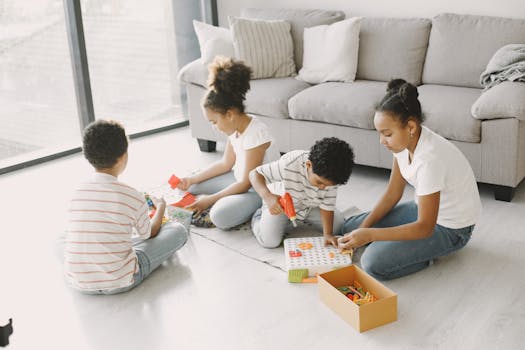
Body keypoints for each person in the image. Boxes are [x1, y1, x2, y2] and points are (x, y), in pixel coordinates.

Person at [338, 79, 482, 280]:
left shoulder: (429, 160)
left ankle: (425, 255)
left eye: (387, 134)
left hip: (452, 229)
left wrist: (371, 235)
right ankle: (380, 239)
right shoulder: (403, 143)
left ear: (411, 126)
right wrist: (364, 229)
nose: (382, 141)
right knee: (349, 228)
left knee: (372, 263)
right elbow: (392, 194)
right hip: (423, 210)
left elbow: (425, 226)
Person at [61, 120, 187, 294]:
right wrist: (160, 209)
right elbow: (149, 233)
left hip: (77, 282)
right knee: (178, 231)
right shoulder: (130, 194)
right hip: (120, 280)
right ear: (123, 156)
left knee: (64, 237)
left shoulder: (76, 191)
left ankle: (89, 265)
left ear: (87, 155)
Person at [177, 56, 280, 229]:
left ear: (230, 114)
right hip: (238, 179)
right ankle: (210, 194)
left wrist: (210, 199)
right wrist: (192, 179)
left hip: (257, 190)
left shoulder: (257, 134)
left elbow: (246, 184)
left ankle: (254, 211)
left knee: (219, 216)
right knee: (192, 187)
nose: (214, 128)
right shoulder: (235, 128)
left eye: (214, 122)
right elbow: (226, 164)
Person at [250, 137, 355, 248]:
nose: (323, 188)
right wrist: (268, 196)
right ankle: (259, 216)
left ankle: (298, 218)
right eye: (319, 182)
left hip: (310, 206)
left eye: (328, 186)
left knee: (338, 227)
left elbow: (327, 206)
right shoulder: (289, 164)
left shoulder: (333, 176)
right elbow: (254, 174)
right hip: (281, 205)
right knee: (270, 241)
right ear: (308, 165)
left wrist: (328, 235)